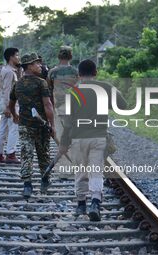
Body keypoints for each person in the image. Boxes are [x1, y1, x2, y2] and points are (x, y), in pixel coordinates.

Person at [58, 59, 127, 220]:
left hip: (78, 138)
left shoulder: (73, 92)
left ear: (79, 75)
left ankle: (81, 204)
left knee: (81, 170)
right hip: (99, 137)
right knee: (96, 170)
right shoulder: (106, 87)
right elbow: (123, 105)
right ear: (96, 72)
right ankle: (95, 202)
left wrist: (63, 143)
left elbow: (68, 124)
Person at [9, 53, 55, 198]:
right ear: (29, 66)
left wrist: (15, 116)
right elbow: (48, 105)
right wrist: (52, 125)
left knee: (26, 154)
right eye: (37, 63)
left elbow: (11, 104)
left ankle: (27, 185)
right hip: (41, 126)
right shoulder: (41, 83)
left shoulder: (18, 84)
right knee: (44, 155)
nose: (40, 65)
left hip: (24, 125)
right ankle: (45, 180)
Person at [46, 46, 79, 179]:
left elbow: (48, 89)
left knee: (61, 138)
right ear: (70, 57)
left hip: (58, 108)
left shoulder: (52, 72)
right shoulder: (75, 72)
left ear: (59, 57)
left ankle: (66, 169)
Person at [0, 48, 21, 163]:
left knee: (3, 129)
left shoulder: (6, 70)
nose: (18, 58)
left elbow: (2, 89)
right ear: (11, 57)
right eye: (17, 55)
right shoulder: (10, 72)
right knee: (13, 129)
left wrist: (4, 105)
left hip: (5, 103)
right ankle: (11, 154)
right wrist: (8, 107)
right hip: (10, 105)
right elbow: (8, 91)